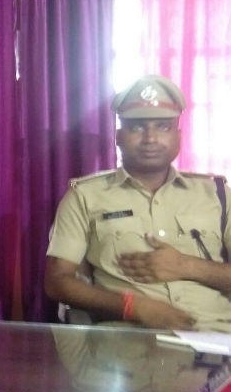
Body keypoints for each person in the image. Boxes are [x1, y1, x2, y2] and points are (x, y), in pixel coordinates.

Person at [45, 74, 231, 332]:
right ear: (119, 136)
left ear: (178, 135)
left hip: (216, 340)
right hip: (128, 342)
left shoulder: (218, 194)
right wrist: (132, 307)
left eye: (163, 127)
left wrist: (186, 266)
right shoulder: (85, 196)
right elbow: (57, 281)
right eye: (137, 127)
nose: (150, 138)